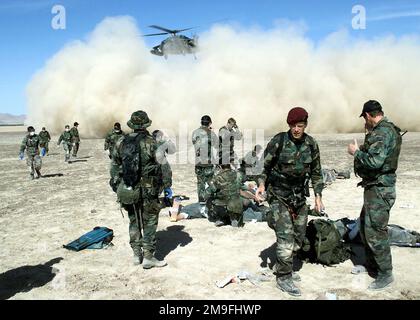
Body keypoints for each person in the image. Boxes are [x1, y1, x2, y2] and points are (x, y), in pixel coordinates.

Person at [255, 107, 325, 296]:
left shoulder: (311, 144)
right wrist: (261, 185)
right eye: (293, 125)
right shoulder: (279, 141)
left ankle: (282, 265)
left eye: (300, 125)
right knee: (285, 238)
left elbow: (317, 173)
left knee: (298, 238)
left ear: (305, 125)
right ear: (289, 125)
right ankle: (284, 277)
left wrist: (318, 196)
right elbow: (263, 167)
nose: (296, 129)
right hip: (278, 196)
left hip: (299, 198)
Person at [347, 100, 402, 290]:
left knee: (376, 232)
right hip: (375, 188)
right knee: (365, 226)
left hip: (380, 189)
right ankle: (372, 266)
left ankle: (385, 273)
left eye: (365, 118)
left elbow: (374, 162)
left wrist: (356, 153)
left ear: (369, 115)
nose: (365, 122)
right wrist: (363, 149)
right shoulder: (387, 130)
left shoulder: (382, 132)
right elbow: (379, 155)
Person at [112, 110, 168, 269]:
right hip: (148, 190)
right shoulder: (152, 143)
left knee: (134, 220)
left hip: (128, 188)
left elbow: (114, 166)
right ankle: (148, 257)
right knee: (149, 221)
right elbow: (163, 167)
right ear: (145, 125)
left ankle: (137, 255)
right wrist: (167, 187)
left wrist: (118, 185)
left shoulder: (120, 142)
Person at [192, 115, 219, 217]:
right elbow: (216, 145)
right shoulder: (210, 133)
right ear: (209, 123)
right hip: (208, 163)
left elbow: (195, 143)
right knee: (211, 183)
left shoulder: (194, 133)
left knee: (200, 184)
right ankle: (210, 204)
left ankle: (201, 205)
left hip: (198, 163)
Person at [153, 129, 176, 206]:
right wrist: (168, 139)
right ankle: (168, 198)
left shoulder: (148, 144)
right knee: (166, 182)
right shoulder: (162, 144)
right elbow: (172, 151)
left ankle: (154, 199)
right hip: (163, 168)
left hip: (152, 168)